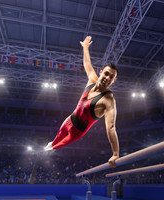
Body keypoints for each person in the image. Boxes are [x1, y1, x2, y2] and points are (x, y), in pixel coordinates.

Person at [45, 36, 119, 168]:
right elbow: (87, 64)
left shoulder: (108, 100)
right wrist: (85, 47)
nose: (107, 78)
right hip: (69, 120)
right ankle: (52, 144)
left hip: (77, 132)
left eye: (111, 77)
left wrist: (115, 154)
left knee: (53, 148)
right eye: (106, 74)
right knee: (54, 141)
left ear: (114, 80)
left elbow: (111, 127)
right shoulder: (92, 79)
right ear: (101, 72)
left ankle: (49, 149)